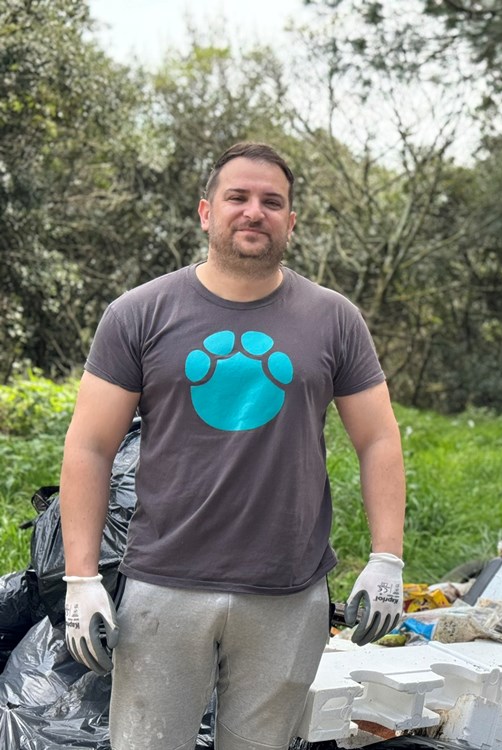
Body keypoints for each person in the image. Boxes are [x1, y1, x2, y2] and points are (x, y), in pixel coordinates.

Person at [58, 141, 407, 749]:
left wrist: (387, 560)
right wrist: (80, 579)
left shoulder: (333, 319)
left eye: (272, 202)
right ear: (205, 212)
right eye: (237, 197)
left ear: (291, 221)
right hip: (165, 582)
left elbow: (378, 439)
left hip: (288, 590)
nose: (254, 212)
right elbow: (89, 446)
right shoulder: (139, 314)